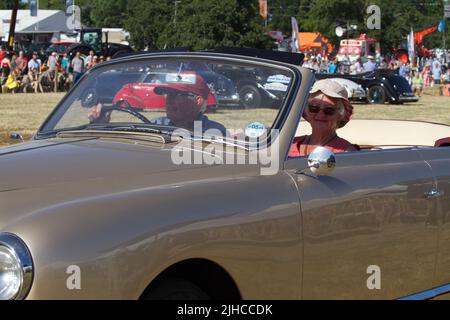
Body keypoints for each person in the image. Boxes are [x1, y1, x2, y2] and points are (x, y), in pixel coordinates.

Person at [88, 72, 227, 136]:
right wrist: (100, 125)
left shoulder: (215, 133)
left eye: (176, 95)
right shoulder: (156, 125)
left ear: (197, 101)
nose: (169, 99)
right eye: (167, 94)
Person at [289, 79, 357, 157]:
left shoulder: (347, 152)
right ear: (306, 111)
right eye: (314, 108)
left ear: (341, 115)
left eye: (329, 110)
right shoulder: (289, 145)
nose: (320, 114)